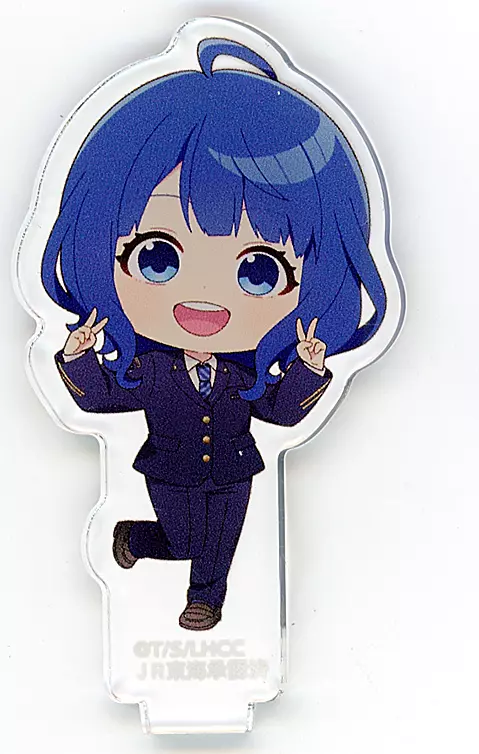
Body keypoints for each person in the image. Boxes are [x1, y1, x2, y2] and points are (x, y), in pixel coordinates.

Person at [43, 38, 387, 631]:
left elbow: (281, 413)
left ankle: (206, 601)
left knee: (219, 544)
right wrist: (78, 356)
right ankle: (141, 539)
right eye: (156, 258)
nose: (203, 297)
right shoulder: (150, 370)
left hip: (235, 471)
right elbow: (102, 398)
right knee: (181, 538)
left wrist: (307, 365)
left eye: (260, 271)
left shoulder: (245, 373)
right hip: (169, 472)